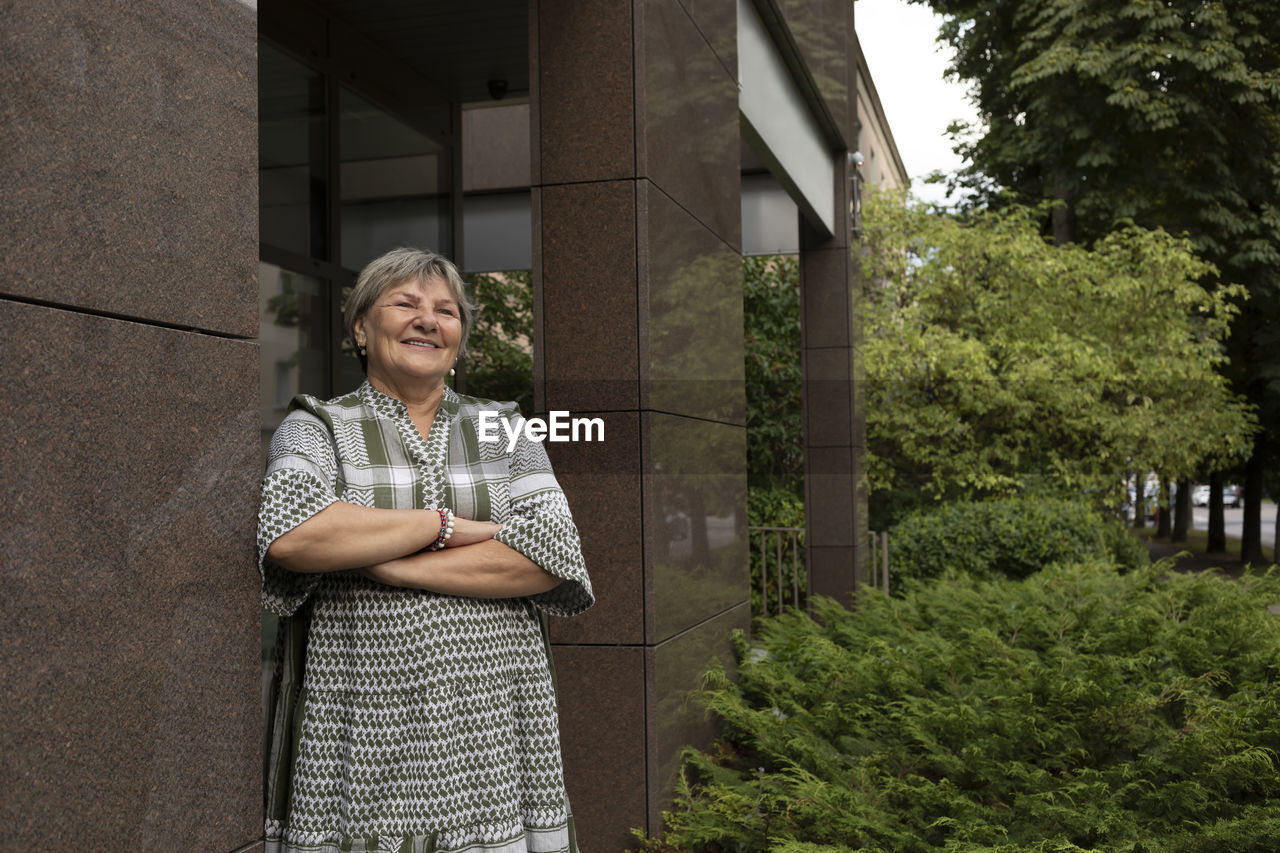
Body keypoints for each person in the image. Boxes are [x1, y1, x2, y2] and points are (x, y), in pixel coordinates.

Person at [258, 247, 593, 853]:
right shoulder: (317, 426)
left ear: (458, 339)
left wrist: (382, 559)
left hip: (493, 728)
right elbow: (295, 536)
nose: (428, 320)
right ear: (361, 326)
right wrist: (443, 525)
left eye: (446, 311)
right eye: (406, 304)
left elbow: (550, 554)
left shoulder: (505, 427)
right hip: (359, 729)